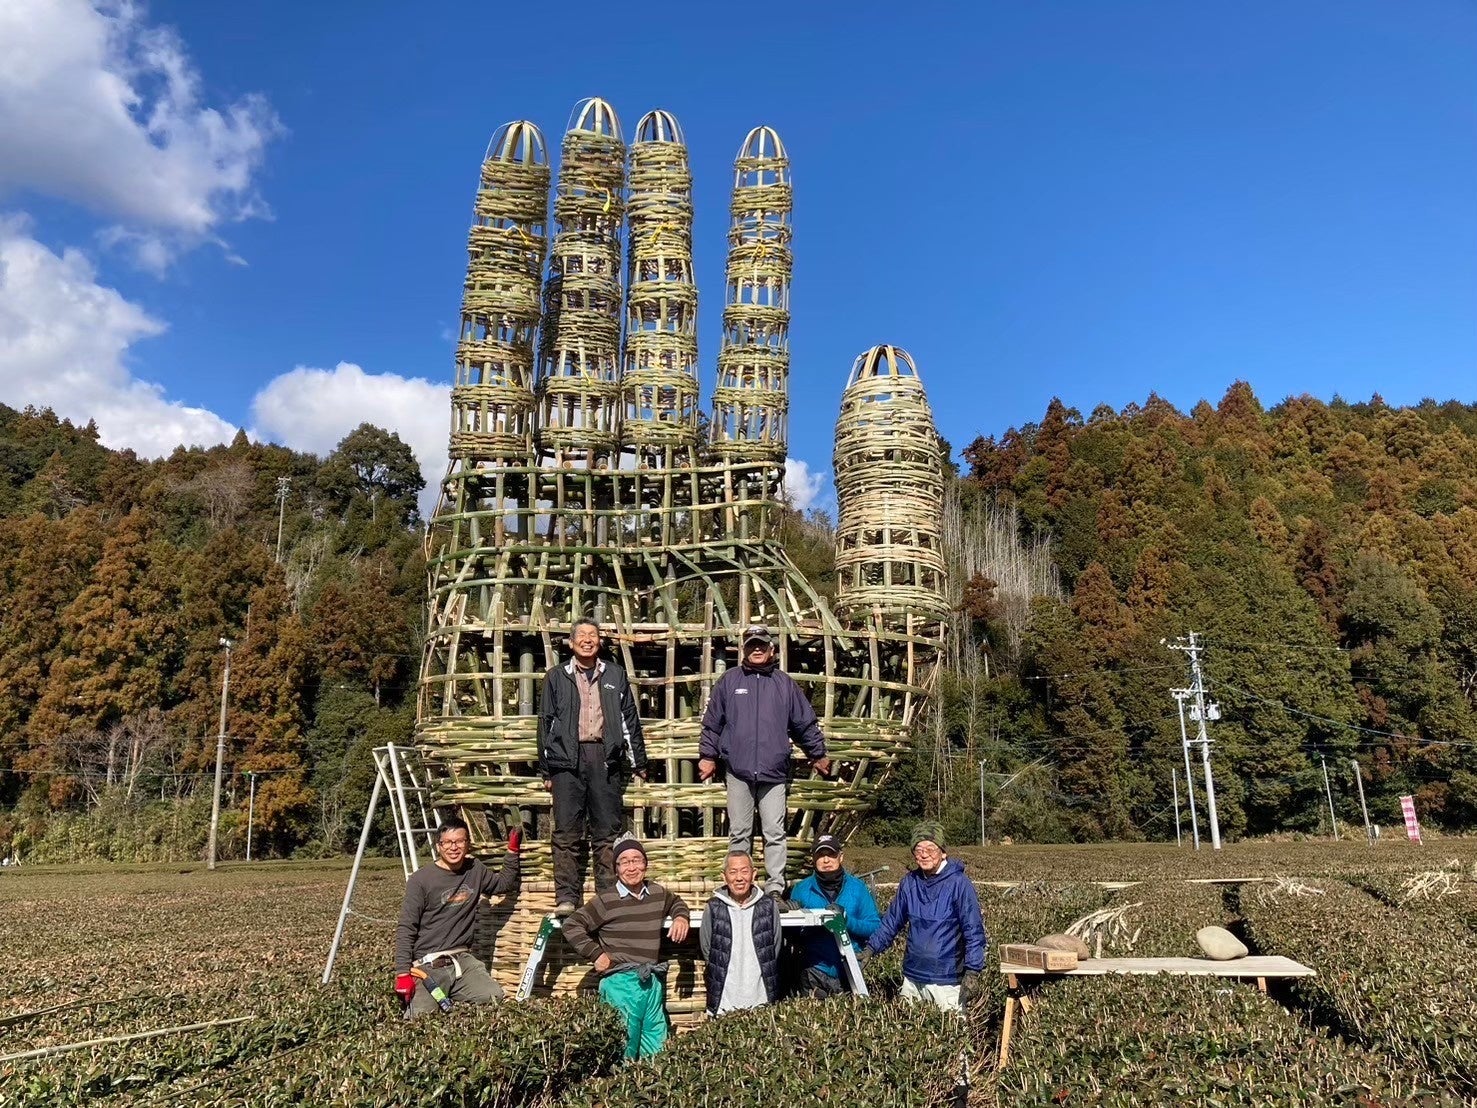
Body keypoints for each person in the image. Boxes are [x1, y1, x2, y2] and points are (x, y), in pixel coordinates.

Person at [698, 624, 831, 896]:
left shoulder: (784, 684)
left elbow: (804, 723)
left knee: (774, 833)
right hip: (738, 770)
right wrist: (708, 755)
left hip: (774, 772)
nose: (756, 649)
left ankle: (774, 889)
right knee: (739, 833)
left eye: (761, 645)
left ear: (772, 649)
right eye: (751, 645)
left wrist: (817, 753)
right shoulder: (729, 681)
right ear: (743, 650)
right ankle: (739, 888)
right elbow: (712, 723)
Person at [538, 618, 647, 915]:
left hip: (604, 756)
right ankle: (566, 897)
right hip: (566, 760)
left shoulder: (614, 674)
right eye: (582, 635)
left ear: (599, 642)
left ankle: (608, 895)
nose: (588, 640)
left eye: (593, 635)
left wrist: (638, 760)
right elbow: (545, 722)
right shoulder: (557, 676)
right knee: (566, 831)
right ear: (571, 643)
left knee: (607, 831)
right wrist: (546, 769)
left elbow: (628, 718)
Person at [561, 837, 692, 1060]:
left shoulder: (657, 893)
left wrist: (680, 917)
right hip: (620, 984)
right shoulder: (606, 900)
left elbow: (676, 902)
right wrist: (596, 954)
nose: (631, 867)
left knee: (657, 1047)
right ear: (616, 869)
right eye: (624, 862)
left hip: (651, 981)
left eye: (637, 860)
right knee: (622, 1046)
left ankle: (653, 1083)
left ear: (645, 864)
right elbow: (571, 925)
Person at [393, 817, 521, 1017]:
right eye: (447, 842)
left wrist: (512, 851)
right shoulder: (421, 880)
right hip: (428, 966)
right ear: (438, 845)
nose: (453, 847)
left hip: (461, 961)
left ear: (467, 844)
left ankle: (450, 994)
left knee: (493, 996)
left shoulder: (475, 869)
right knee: (419, 1019)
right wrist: (402, 973)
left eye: (460, 841)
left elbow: (502, 885)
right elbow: (406, 927)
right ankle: (438, 994)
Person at [861, 821, 986, 1014]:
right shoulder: (909, 883)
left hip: (947, 980)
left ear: (943, 852)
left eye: (930, 849)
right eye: (918, 850)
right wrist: (871, 949)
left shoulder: (959, 884)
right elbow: (891, 922)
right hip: (913, 977)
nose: (924, 854)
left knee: (948, 1030)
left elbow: (973, 931)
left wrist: (972, 971)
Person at [788, 833, 881, 996]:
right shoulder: (801, 889)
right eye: (820, 855)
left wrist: (847, 921)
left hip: (851, 970)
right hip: (813, 972)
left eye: (831, 854)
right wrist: (791, 917)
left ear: (841, 856)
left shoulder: (858, 888)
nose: (826, 860)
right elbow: (793, 938)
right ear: (813, 859)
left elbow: (875, 926)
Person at [700, 851, 783, 1016]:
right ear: (724, 876)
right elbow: (707, 949)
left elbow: (775, 947)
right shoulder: (713, 907)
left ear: (753, 874)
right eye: (733, 872)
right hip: (724, 1001)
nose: (739, 878)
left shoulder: (768, 906)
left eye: (744, 871)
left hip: (762, 1000)